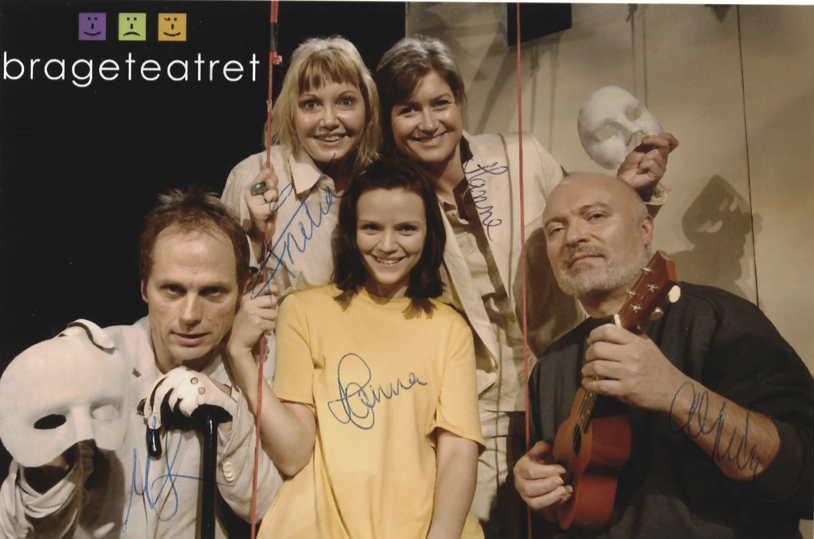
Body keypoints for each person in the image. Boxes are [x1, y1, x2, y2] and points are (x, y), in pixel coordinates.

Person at [374, 35, 679, 536]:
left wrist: (631, 189)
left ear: (459, 102)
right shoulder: (389, 200)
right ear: (388, 119)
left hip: (567, 380)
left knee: (587, 516)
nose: (428, 123)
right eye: (408, 109)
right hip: (472, 407)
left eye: (440, 103)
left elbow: (589, 236)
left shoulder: (521, 155)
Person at [514, 173, 814, 538]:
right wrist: (539, 488)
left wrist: (675, 392)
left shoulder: (719, 320)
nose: (574, 236)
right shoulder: (549, 368)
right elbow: (571, 508)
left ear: (644, 230)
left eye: (595, 216)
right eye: (556, 229)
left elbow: (804, 478)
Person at [0, 187, 282, 538]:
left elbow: (271, 510)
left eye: (213, 292)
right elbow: (16, 531)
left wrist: (229, 417)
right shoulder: (95, 361)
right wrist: (50, 468)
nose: (190, 315)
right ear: (145, 286)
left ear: (242, 290)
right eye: (172, 290)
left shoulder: (257, 366)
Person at [226, 157, 486, 539]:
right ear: (351, 231)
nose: (387, 245)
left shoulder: (450, 328)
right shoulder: (304, 311)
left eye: (406, 228)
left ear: (428, 232)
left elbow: (458, 453)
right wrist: (239, 358)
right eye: (371, 228)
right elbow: (294, 453)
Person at [221, 36, 380, 297]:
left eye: (345, 102)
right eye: (311, 104)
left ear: (368, 108)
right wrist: (257, 240)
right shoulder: (252, 175)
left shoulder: (384, 181)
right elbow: (215, 288)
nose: (329, 120)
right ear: (291, 114)